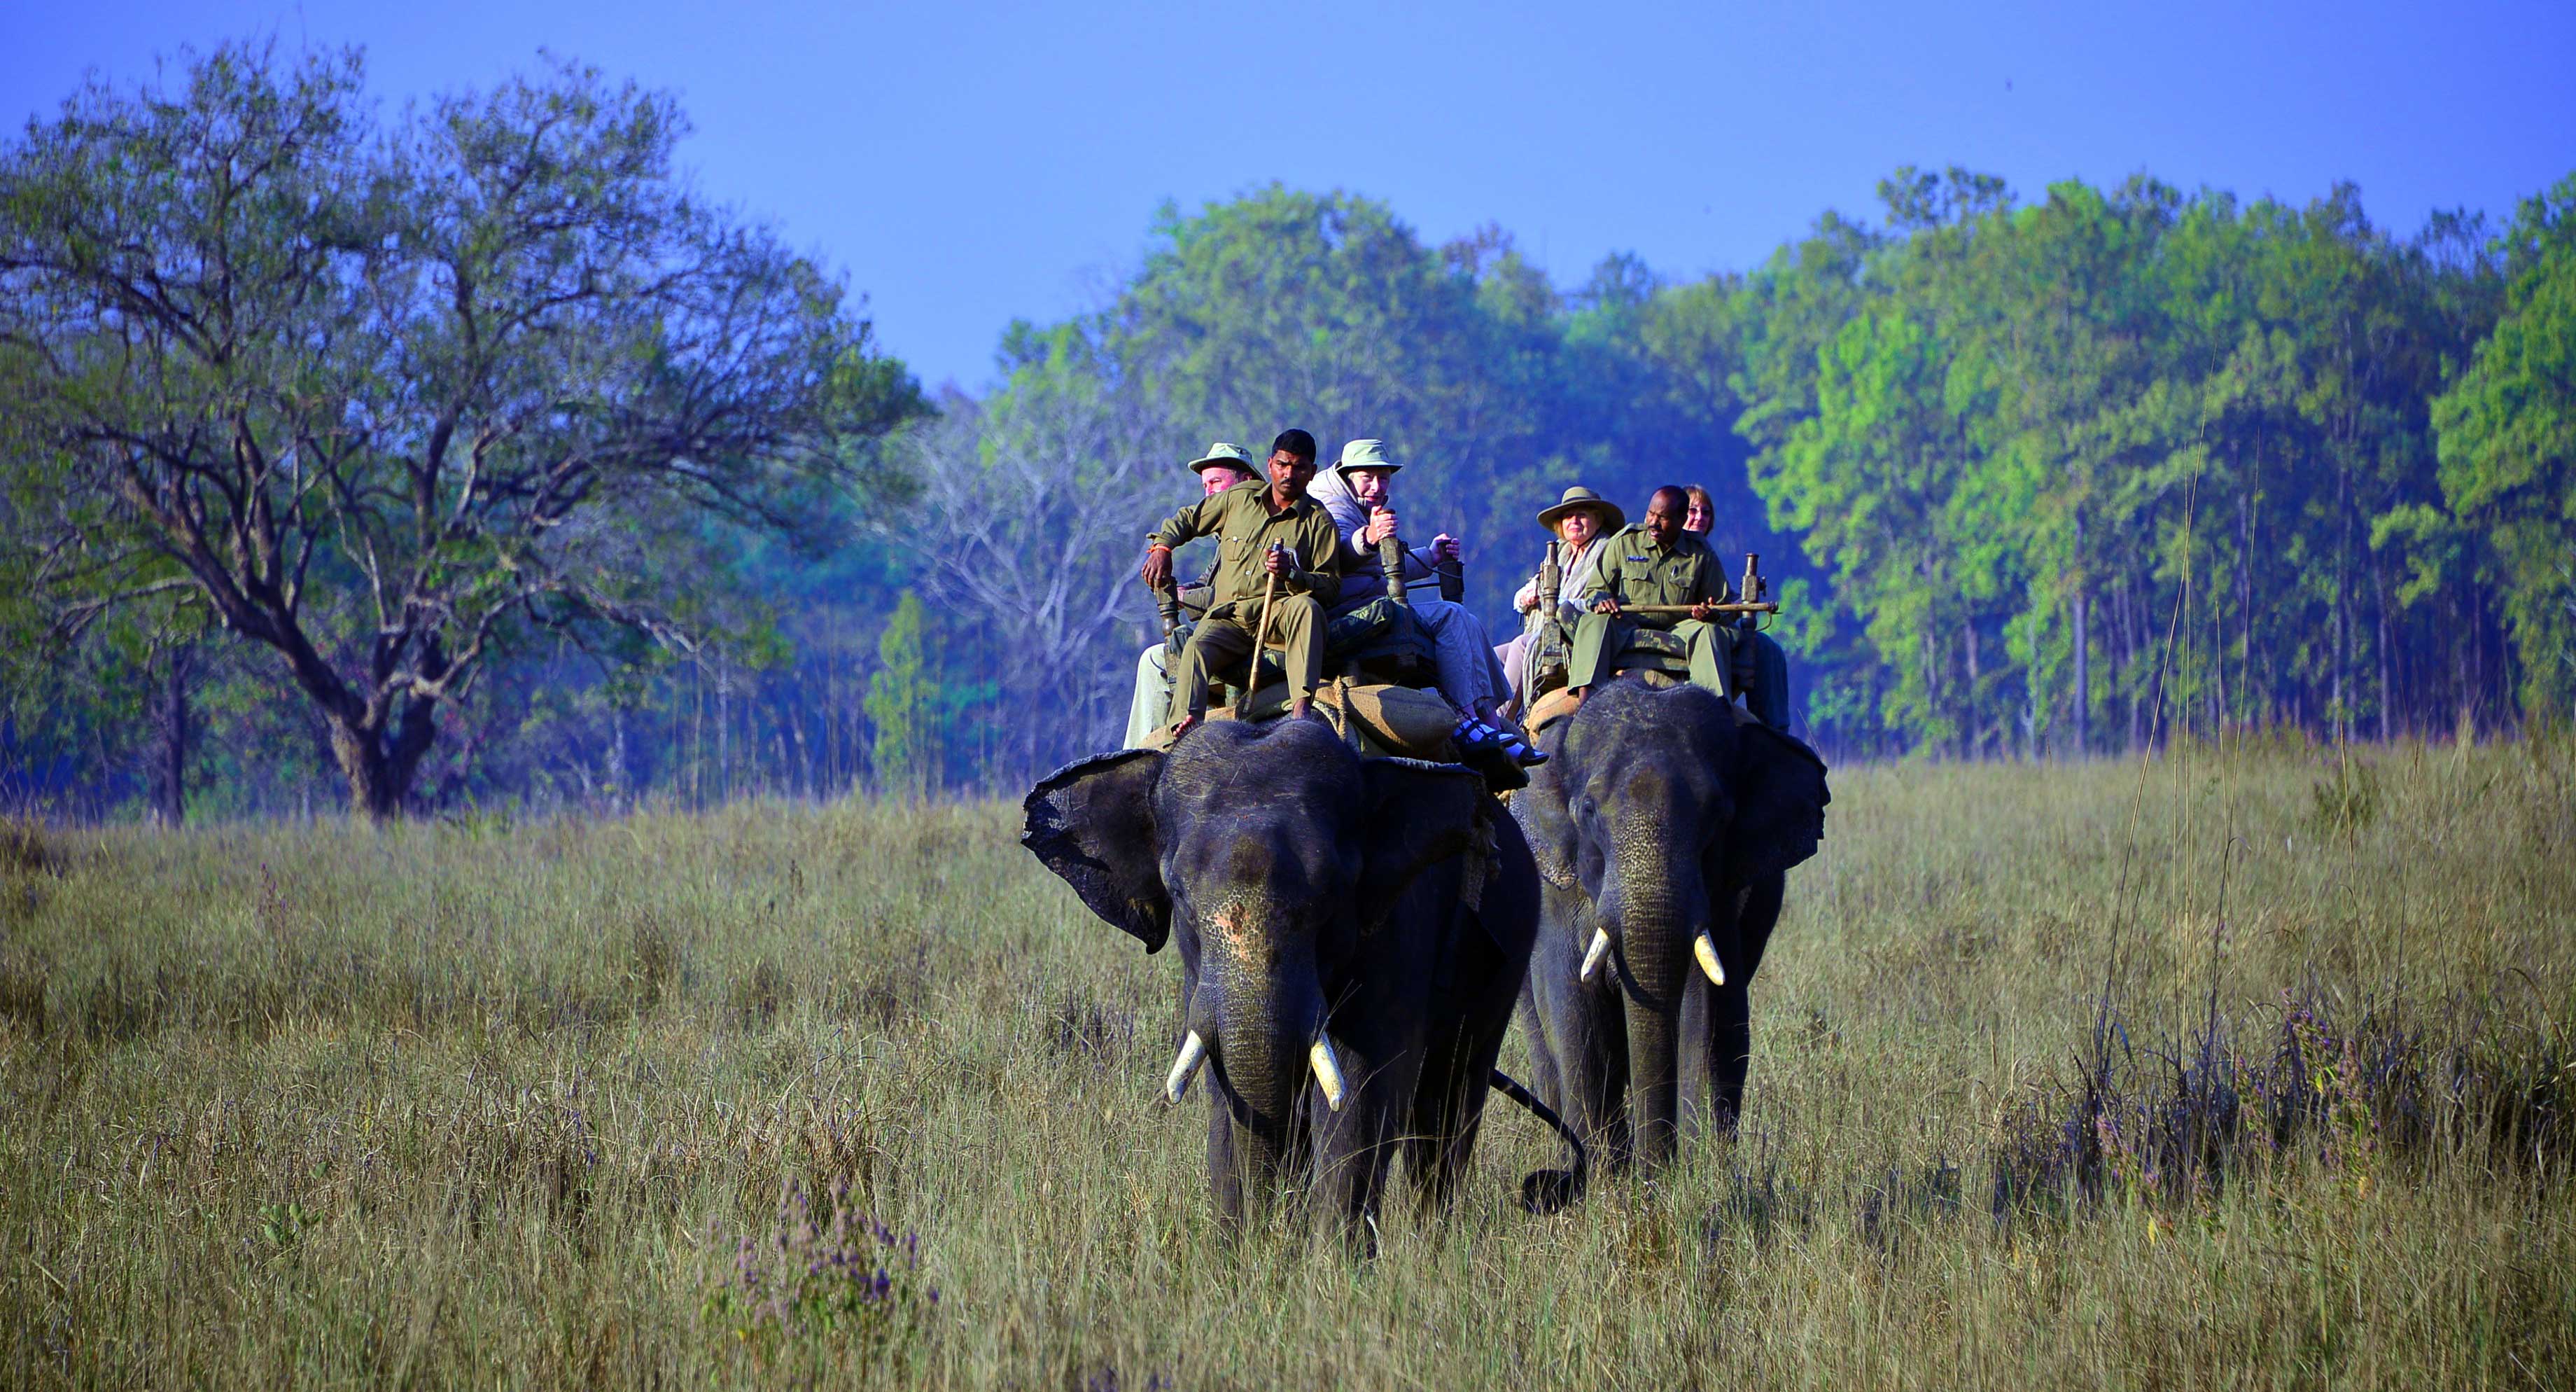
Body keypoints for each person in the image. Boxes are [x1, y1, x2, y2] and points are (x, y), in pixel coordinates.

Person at [1306, 439, 1539, 764]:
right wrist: (1369, 539)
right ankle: (1467, 718)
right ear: (1347, 476)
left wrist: (1432, 555)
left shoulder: (1361, 507)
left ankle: (1491, 719)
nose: (1377, 486)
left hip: (1374, 603)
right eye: (1367, 478)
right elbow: (1342, 554)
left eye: (1383, 478)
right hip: (1351, 614)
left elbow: (1387, 565)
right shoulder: (1330, 507)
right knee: (1449, 616)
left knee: (1466, 619)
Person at [1141, 429, 1342, 735]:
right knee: (1195, 646)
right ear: (1270, 464)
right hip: (1229, 619)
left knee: (1308, 607)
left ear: (1312, 472)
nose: (1290, 474)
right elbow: (1188, 519)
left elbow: (1330, 586)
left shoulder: (1319, 521)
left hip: (1276, 617)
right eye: (1283, 465)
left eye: (1299, 467)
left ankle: (1302, 710)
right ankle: (1186, 724)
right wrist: (1162, 548)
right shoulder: (1239, 499)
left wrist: (1293, 574)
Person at [1121, 444, 1261, 747]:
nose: (1209, 493)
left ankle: (1144, 755)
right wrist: (1167, 559)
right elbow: (1209, 583)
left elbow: (1236, 597)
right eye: (1205, 486)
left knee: (1156, 661)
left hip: (1244, 639)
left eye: (1216, 483)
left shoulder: (1258, 524)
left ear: (1245, 481)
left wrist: (1184, 597)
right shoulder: (1227, 534)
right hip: (1226, 635)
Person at [1567, 485, 1732, 703]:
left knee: (1710, 632)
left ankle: (1714, 705)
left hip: (1679, 630)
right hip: (1624, 625)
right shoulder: (1626, 542)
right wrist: (1602, 600)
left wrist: (1711, 614)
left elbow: (1723, 607)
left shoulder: (1700, 553)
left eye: (1662, 517)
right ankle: (1587, 698)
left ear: (1681, 520)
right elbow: (1596, 589)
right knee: (1594, 622)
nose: (1653, 523)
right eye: (1650, 514)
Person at [1679, 480, 1793, 730]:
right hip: (1684, 629)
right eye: (1692, 511)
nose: (1700, 518)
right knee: (1712, 636)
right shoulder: (1668, 548)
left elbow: (1721, 596)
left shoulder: (1707, 553)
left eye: (1706, 513)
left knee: (1768, 649)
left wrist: (1738, 603)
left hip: (1716, 622)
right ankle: (1715, 714)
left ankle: (1775, 732)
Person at [1494, 485, 1624, 705]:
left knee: (1520, 646)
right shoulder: (1560, 552)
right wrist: (1526, 597)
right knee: (1491, 657)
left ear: (1598, 520)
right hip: (1541, 632)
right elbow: (1530, 589)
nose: (1574, 521)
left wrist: (1552, 602)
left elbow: (1598, 601)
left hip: (1575, 637)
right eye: (1568, 516)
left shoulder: (1606, 551)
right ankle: (1472, 719)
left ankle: (1500, 723)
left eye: (1581, 515)